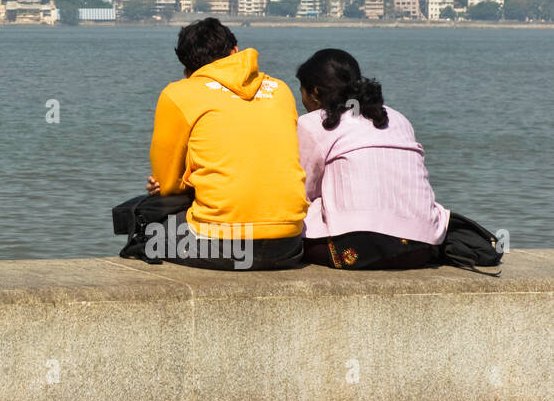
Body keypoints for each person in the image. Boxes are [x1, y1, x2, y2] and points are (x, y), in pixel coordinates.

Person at [144, 18, 309, 270]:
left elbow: (166, 186)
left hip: (223, 249)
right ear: (235, 51)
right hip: (288, 245)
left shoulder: (178, 93)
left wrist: (187, 180)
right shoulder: (280, 90)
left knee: (144, 221)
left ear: (187, 67)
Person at [295, 49, 449, 270]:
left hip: (359, 250)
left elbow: (299, 192)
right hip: (423, 247)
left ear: (315, 92)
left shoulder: (313, 123)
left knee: (290, 230)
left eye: (302, 92)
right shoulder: (397, 118)